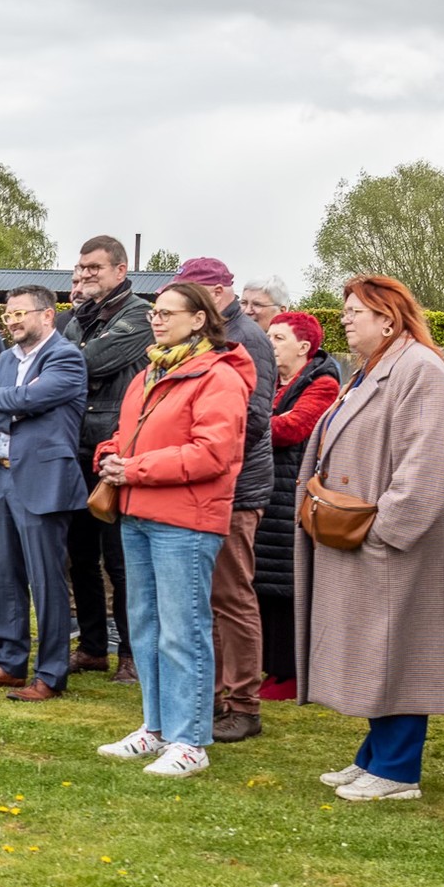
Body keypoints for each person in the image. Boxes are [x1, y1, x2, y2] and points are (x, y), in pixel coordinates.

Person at [302, 276, 444, 803]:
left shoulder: (421, 369)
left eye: (356, 310)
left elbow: (427, 463)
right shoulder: (375, 369)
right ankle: (375, 757)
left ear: (389, 318)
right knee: (376, 649)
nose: (345, 317)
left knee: (401, 650)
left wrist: (386, 533)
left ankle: (398, 770)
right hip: (362, 538)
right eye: (346, 309)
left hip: (395, 544)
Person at [93, 282, 252, 779]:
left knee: (184, 630)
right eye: (154, 313)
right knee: (144, 625)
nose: (155, 320)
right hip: (139, 512)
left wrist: (133, 469)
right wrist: (108, 454)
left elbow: (212, 453)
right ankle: (156, 727)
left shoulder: (217, 378)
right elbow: (129, 435)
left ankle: (191, 739)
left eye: (166, 313)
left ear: (199, 319)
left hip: (185, 519)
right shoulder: (150, 374)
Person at [0, 284, 88, 699]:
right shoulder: (6, 361)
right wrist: (12, 403)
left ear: (47, 315)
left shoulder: (66, 357)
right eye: (8, 314)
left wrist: (6, 401)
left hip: (43, 480)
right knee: (4, 576)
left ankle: (50, 674)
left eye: (20, 313)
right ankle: (8, 663)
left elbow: (39, 396)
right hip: (0, 477)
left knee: (45, 580)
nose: (11, 321)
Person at [174, 257, 275, 744]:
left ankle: (243, 702)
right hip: (208, 482)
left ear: (218, 292)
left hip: (235, 486)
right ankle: (213, 694)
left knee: (232, 594)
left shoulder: (247, 338)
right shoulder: (212, 333)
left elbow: (254, 419)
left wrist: (198, 448)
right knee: (208, 595)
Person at [63, 237, 152, 684]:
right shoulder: (79, 317)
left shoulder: (138, 314)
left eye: (96, 266)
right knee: (78, 555)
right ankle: (93, 646)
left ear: (121, 270)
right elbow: (65, 362)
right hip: (76, 447)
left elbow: (86, 364)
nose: (87, 274)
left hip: (116, 450)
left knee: (120, 559)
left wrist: (65, 361)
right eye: (82, 267)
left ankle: (132, 654)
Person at [255, 312, 340, 700]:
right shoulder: (270, 382)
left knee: (286, 584)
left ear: (304, 347)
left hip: (292, 492)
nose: (269, 343)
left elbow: (295, 428)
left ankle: (289, 673)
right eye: (268, 336)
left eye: (278, 338)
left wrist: (247, 424)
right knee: (261, 582)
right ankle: (269, 666)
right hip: (264, 489)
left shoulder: (322, 383)